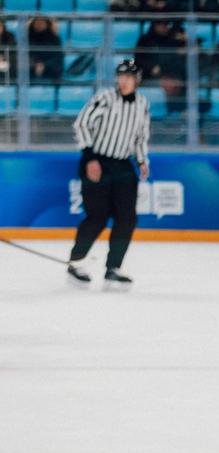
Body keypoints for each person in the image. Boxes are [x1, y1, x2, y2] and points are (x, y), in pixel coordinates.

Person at [68, 60, 151, 290]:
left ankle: (113, 267)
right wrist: (90, 157)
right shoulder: (105, 98)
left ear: (137, 80)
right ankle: (77, 261)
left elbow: (141, 136)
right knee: (97, 216)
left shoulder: (142, 103)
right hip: (97, 161)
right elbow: (81, 124)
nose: (124, 81)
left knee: (127, 218)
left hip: (123, 165)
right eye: (121, 76)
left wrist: (142, 160)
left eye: (129, 77)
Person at [27, 16, 64, 83]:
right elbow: (24, 55)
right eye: (37, 22)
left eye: (42, 23)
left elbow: (57, 57)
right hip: (31, 68)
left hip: (50, 69)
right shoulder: (27, 38)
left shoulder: (54, 39)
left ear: (47, 24)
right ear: (33, 24)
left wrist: (44, 65)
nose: (39, 25)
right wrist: (35, 64)